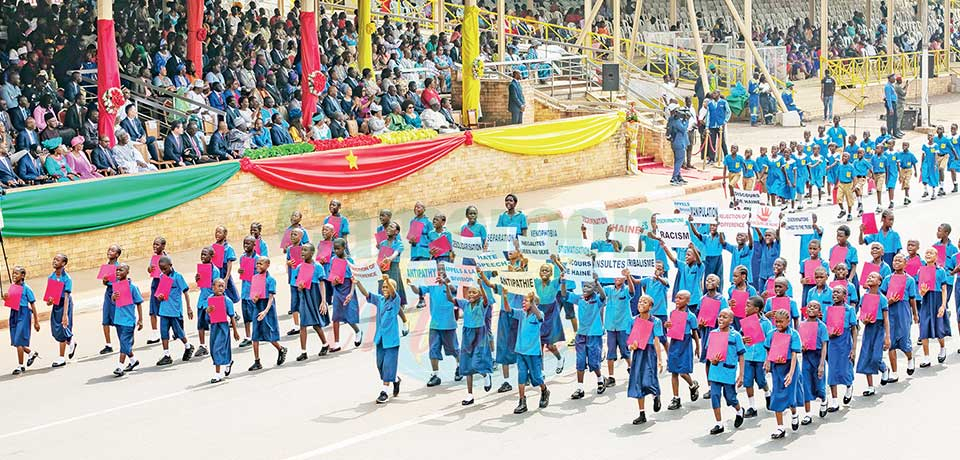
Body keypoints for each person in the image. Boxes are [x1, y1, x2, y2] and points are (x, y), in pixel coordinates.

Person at [358, 273, 408, 404]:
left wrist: (387, 279)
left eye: (388, 287)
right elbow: (367, 294)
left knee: (388, 365)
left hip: (391, 340)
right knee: (380, 365)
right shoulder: (379, 299)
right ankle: (395, 380)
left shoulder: (395, 300)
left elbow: (393, 292)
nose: (385, 289)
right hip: (380, 338)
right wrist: (357, 283)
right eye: (383, 287)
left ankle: (384, 391)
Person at [501, 290, 550, 414]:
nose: (523, 302)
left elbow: (539, 316)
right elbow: (508, 310)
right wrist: (505, 297)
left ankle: (544, 390)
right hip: (521, 351)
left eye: (526, 301)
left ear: (533, 303)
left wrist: (532, 302)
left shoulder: (539, 314)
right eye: (523, 300)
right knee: (521, 376)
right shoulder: (522, 314)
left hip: (533, 353)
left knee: (537, 377)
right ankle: (522, 401)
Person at [705, 309, 746, 435]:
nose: (721, 319)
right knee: (715, 396)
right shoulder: (713, 334)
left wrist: (741, 375)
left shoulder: (736, 336)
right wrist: (713, 360)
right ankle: (719, 423)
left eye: (725, 317)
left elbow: (741, 355)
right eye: (720, 316)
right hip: (715, 371)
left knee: (730, 397)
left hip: (728, 371)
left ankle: (739, 410)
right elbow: (709, 354)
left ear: (731, 320)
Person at [764, 309, 803, 438]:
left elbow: (794, 355)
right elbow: (768, 350)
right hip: (777, 367)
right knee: (776, 395)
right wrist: (768, 361)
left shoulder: (794, 334)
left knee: (791, 395)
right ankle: (780, 427)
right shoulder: (771, 334)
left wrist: (791, 373)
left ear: (788, 321)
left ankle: (794, 413)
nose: (779, 324)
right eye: (777, 322)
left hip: (789, 366)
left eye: (782, 322)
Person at [664, 290, 701, 411]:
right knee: (673, 371)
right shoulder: (672, 313)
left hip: (685, 343)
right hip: (675, 342)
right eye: (676, 298)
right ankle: (676, 398)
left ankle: (692, 385)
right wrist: (667, 326)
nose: (677, 300)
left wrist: (697, 346)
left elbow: (695, 332)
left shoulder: (691, 316)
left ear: (687, 301)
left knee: (683, 371)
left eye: (680, 298)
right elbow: (670, 327)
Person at [110, 263, 144, 377]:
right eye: (117, 270)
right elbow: (113, 301)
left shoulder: (133, 287)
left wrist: (140, 320)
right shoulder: (116, 286)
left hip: (128, 321)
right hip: (118, 320)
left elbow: (139, 303)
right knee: (124, 343)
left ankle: (120, 366)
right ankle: (134, 361)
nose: (118, 272)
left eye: (121, 270)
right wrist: (113, 298)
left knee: (124, 343)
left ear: (127, 272)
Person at [6, 265, 40, 375]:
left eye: (16, 273)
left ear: (23, 275)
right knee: (16, 341)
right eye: (13, 273)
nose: (14, 275)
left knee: (19, 340)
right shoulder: (13, 287)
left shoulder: (27, 288)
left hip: (23, 314)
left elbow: (33, 305)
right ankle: (31, 353)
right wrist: (6, 297)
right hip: (14, 313)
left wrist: (36, 321)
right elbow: (10, 300)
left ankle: (20, 366)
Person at [666, 104, 689, 186]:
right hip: (679, 143)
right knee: (679, 161)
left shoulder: (671, 119)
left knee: (677, 160)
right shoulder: (676, 121)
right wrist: (687, 120)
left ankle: (679, 177)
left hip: (675, 142)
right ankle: (674, 178)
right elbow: (683, 129)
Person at [884, 74, 899, 138]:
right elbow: (888, 98)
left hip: (894, 103)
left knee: (895, 118)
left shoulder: (891, 86)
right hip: (891, 104)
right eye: (893, 77)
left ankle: (895, 133)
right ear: (889, 78)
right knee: (890, 120)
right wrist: (890, 108)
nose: (894, 79)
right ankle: (889, 134)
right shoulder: (887, 86)